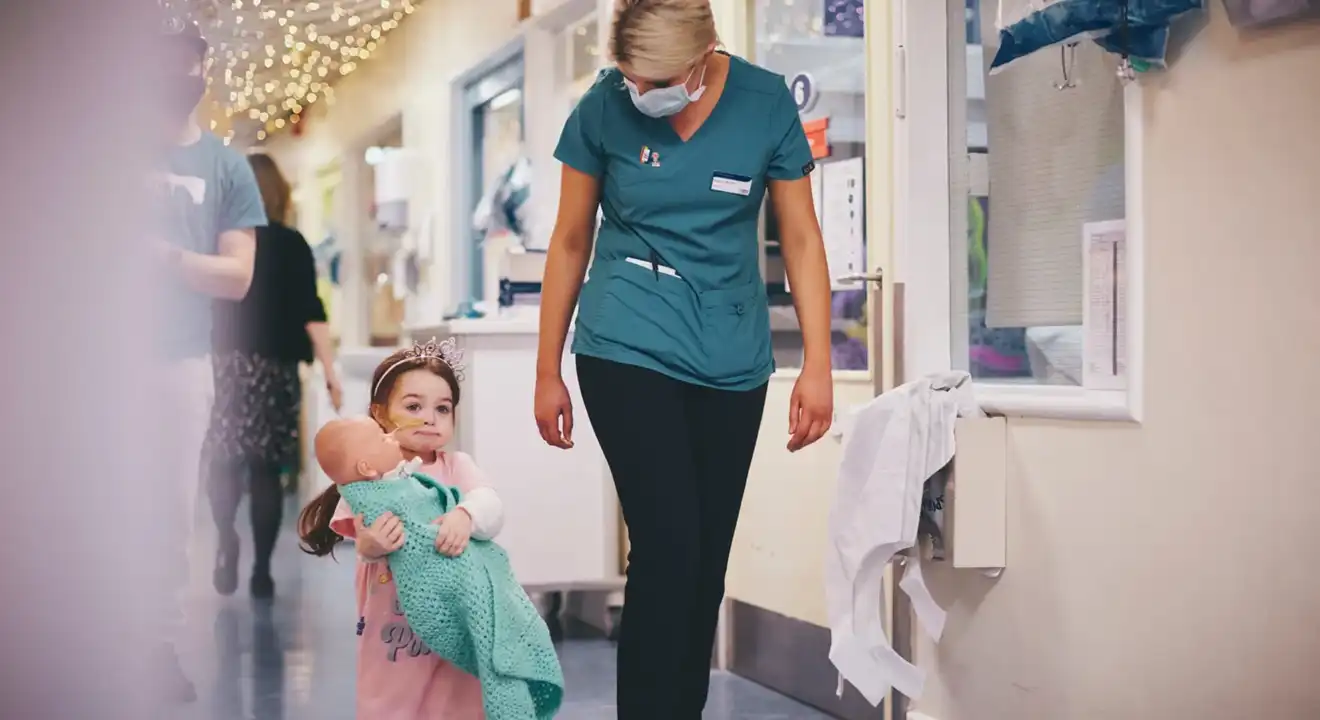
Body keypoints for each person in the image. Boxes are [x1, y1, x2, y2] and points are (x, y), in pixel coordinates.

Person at [533, 0, 836, 717]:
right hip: (625, 343)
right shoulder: (603, 108)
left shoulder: (764, 104)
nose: (644, 94)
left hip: (730, 356)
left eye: (660, 80)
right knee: (668, 547)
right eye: (634, 79)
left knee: (704, 567)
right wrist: (548, 369)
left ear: (704, 55)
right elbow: (571, 239)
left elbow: (800, 238)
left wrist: (819, 363)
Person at [150, 15, 266, 704]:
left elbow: (238, 276)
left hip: (182, 359)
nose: (179, 76)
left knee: (168, 507)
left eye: (189, 63)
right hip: (93, 361)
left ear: (203, 71)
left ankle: (155, 644)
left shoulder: (225, 165)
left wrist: (162, 258)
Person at [297, 343, 504, 719]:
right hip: (395, 635)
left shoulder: (457, 467)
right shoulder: (368, 481)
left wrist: (465, 515)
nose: (430, 418)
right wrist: (371, 544)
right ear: (380, 413)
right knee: (392, 703)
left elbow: (492, 506)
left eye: (442, 409)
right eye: (413, 407)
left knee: (459, 701)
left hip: (457, 626)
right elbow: (361, 539)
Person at [205, 152, 343, 599]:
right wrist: (330, 370)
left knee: (224, 462)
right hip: (276, 370)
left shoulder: (221, 242)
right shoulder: (293, 244)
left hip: (224, 366)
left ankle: (226, 536)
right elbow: (312, 311)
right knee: (267, 470)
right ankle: (262, 569)